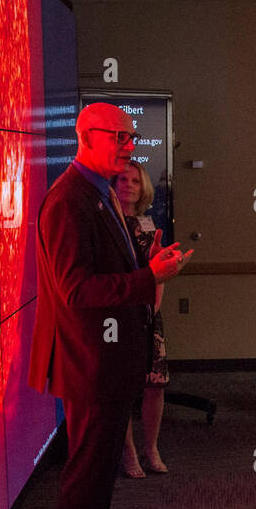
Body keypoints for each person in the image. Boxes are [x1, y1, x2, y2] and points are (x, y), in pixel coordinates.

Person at [28, 103, 191, 509]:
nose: (128, 146)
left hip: (107, 360)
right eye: (119, 137)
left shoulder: (97, 194)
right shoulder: (68, 201)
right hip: (88, 363)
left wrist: (148, 267)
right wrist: (150, 280)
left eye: (130, 137)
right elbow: (76, 291)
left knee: (98, 474)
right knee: (87, 473)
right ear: (86, 136)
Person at [115, 161, 171, 477]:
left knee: (155, 385)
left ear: (143, 187)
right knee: (124, 388)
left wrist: (156, 303)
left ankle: (151, 448)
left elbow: (157, 270)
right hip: (120, 317)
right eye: (122, 179)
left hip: (151, 316)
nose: (129, 185)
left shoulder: (148, 223)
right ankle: (130, 453)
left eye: (135, 180)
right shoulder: (107, 223)